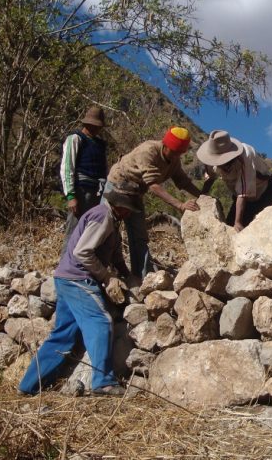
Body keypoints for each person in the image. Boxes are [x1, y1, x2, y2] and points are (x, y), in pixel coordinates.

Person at [18, 189, 137, 397]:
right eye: (128, 209)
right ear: (120, 206)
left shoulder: (109, 219)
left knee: (63, 335)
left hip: (65, 278)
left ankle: (28, 385)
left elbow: (115, 254)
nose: (130, 214)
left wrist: (127, 275)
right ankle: (103, 382)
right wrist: (106, 276)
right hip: (78, 279)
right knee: (101, 322)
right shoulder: (103, 217)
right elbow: (82, 252)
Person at [105, 126, 201, 278]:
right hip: (117, 184)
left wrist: (203, 196)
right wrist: (180, 205)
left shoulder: (174, 161)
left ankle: (142, 278)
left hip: (136, 193)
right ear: (165, 145)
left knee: (139, 236)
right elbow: (153, 185)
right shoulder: (148, 150)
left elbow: (183, 181)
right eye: (174, 152)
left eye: (179, 153)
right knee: (106, 228)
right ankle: (102, 272)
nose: (176, 156)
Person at [197, 130, 272, 232]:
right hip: (242, 199)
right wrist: (201, 197)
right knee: (229, 227)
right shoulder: (210, 159)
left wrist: (238, 222)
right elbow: (210, 178)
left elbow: (243, 193)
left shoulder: (246, 156)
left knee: (266, 231)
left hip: (266, 193)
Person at [60, 106, 108, 251]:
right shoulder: (75, 138)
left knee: (91, 232)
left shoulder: (100, 144)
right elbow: (67, 167)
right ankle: (66, 262)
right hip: (81, 191)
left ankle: (83, 262)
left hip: (98, 192)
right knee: (74, 230)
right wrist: (70, 195)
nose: (96, 129)